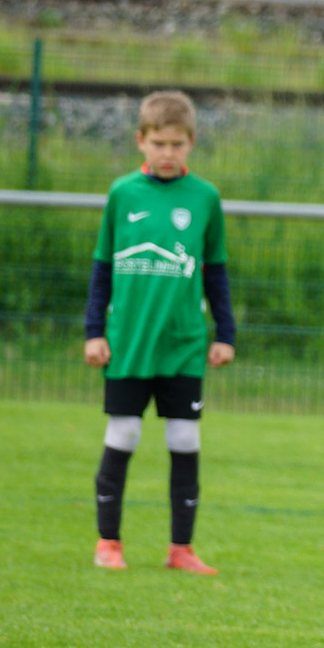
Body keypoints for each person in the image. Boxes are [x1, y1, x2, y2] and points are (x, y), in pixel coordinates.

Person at [85, 90, 236, 575]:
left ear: (191, 143)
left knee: (185, 440)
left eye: (177, 143)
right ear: (141, 142)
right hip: (128, 340)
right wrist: (94, 331)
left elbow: (215, 272)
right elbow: (102, 269)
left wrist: (225, 334)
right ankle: (109, 542)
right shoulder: (122, 193)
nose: (168, 153)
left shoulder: (206, 198)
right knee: (124, 432)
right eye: (159, 143)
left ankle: (181, 550)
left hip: (184, 343)